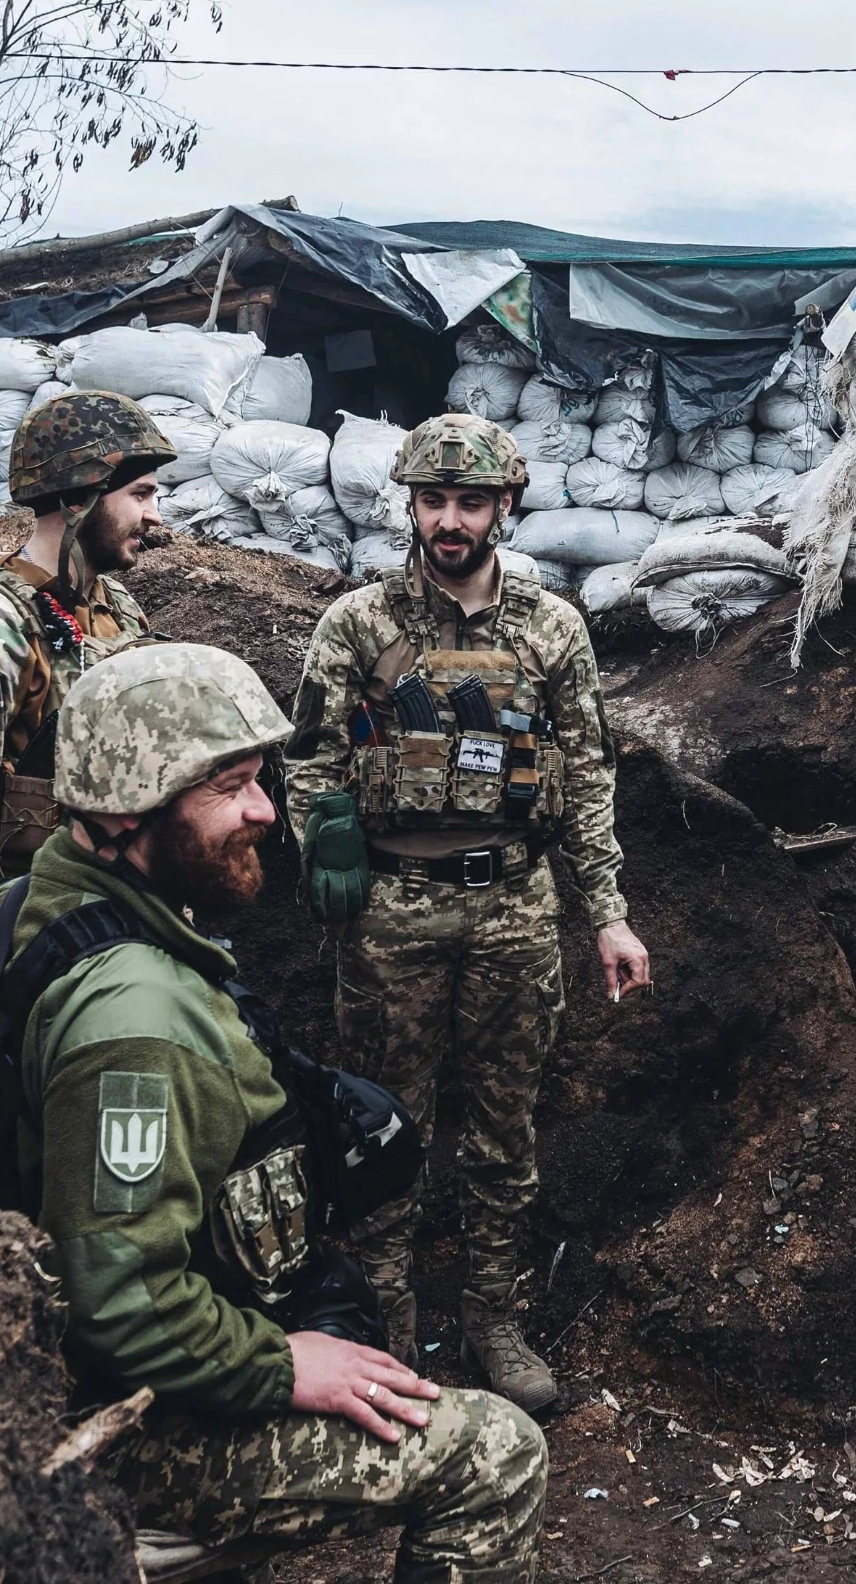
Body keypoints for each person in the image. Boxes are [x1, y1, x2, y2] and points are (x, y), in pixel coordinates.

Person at [0, 641, 547, 1584]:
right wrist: (283, 1365)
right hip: (118, 1423)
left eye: (261, 781)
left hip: (20, 1371)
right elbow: (122, 1302)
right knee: (495, 1454)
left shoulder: (12, 912)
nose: (266, 810)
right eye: (230, 787)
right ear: (129, 812)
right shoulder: (133, 1021)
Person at [282, 412, 648, 1411]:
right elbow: (308, 751)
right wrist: (327, 837)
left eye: (469, 502)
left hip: (515, 907)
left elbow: (586, 773)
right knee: (384, 1125)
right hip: (391, 913)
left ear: (503, 508)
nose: (449, 519)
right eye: (433, 500)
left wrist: (606, 912)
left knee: (503, 1127)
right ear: (408, 504)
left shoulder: (549, 626)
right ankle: (386, 1321)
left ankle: (494, 1315)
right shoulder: (358, 625)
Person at [0, 388, 174, 916]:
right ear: (76, 498)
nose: (154, 516)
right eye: (140, 494)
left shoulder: (121, 609)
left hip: (123, 905)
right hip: (33, 920)